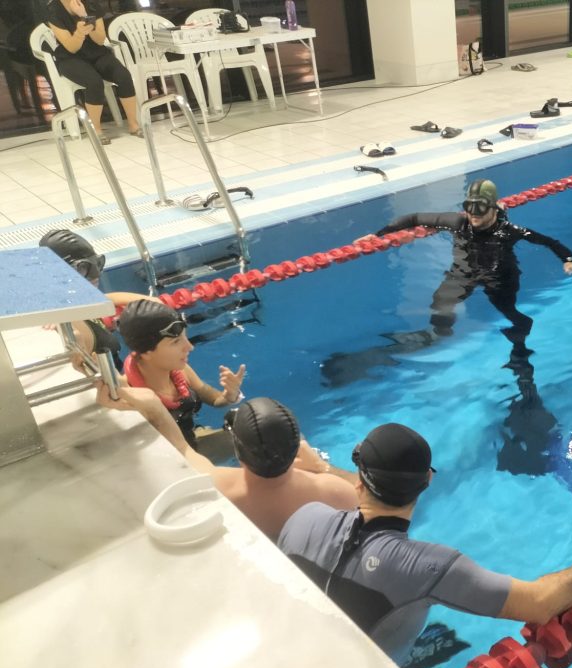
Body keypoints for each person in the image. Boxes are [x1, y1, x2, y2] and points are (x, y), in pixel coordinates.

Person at [278, 422, 572, 665]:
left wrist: (323, 469)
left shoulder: (304, 517)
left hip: (297, 655)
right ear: (428, 480)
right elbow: (540, 604)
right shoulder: (428, 567)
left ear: (359, 476)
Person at [323, 180, 572, 475]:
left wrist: (568, 260)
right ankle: (436, 334)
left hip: (499, 279)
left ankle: (520, 343)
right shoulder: (458, 223)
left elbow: (548, 241)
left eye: (480, 208)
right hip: (463, 275)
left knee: (511, 314)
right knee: (441, 303)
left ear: (493, 209)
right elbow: (413, 218)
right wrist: (379, 234)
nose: (473, 214)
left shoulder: (509, 231)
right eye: (469, 206)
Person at [97, 384, 357, 539]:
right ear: (297, 445)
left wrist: (155, 406)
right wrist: (321, 468)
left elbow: (182, 448)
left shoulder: (217, 488)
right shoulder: (336, 492)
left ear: (239, 453)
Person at [117, 299, 247, 455]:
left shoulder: (182, 370)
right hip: (170, 458)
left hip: (191, 443)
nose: (190, 347)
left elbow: (215, 400)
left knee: (252, 432)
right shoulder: (128, 393)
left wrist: (229, 395)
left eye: (186, 337)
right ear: (145, 353)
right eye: (176, 342)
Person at [39, 229, 155, 364]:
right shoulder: (66, 325)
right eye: (83, 268)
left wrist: (154, 303)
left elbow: (107, 299)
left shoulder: (78, 302)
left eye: (97, 263)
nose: (96, 274)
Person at [46, 0, 142, 143]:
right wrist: (80, 32)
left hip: (97, 52)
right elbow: (72, 47)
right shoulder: (53, 9)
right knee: (94, 82)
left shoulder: (91, 3)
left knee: (123, 76)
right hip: (70, 58)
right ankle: (96, 130)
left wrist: (85, 16)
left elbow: (100, 39)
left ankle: (134, 125)